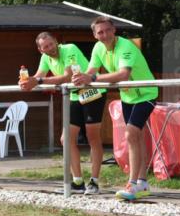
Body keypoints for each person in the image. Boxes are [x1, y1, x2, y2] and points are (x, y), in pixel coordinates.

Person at [72, 16, 158, 201]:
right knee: (136, 136)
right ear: (95, 35)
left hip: (146, 93)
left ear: (114, 30)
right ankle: (143, 182)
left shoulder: (126, 47)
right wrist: (81, 78)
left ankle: (133, 184)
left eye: (107, 30)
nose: (105, 35)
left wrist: (91, 80)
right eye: (100, 32)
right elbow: (92, 70)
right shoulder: (98, 48)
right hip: (128, 96)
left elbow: (123, 75)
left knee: (130, 134)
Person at [19, 32, 105, 194]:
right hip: (74, 95)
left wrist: (37, 81)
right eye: (45, 47)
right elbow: (38, 76)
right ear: (40, 50)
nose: (50, 48)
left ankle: (94, 181)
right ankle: (78, 181)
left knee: (93, 137)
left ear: (56, 41)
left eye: (51, 44)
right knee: (66, 139)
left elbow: (67, 77)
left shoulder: (69, 48)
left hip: (92, 92)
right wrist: (26, 81)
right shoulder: (45, 57)